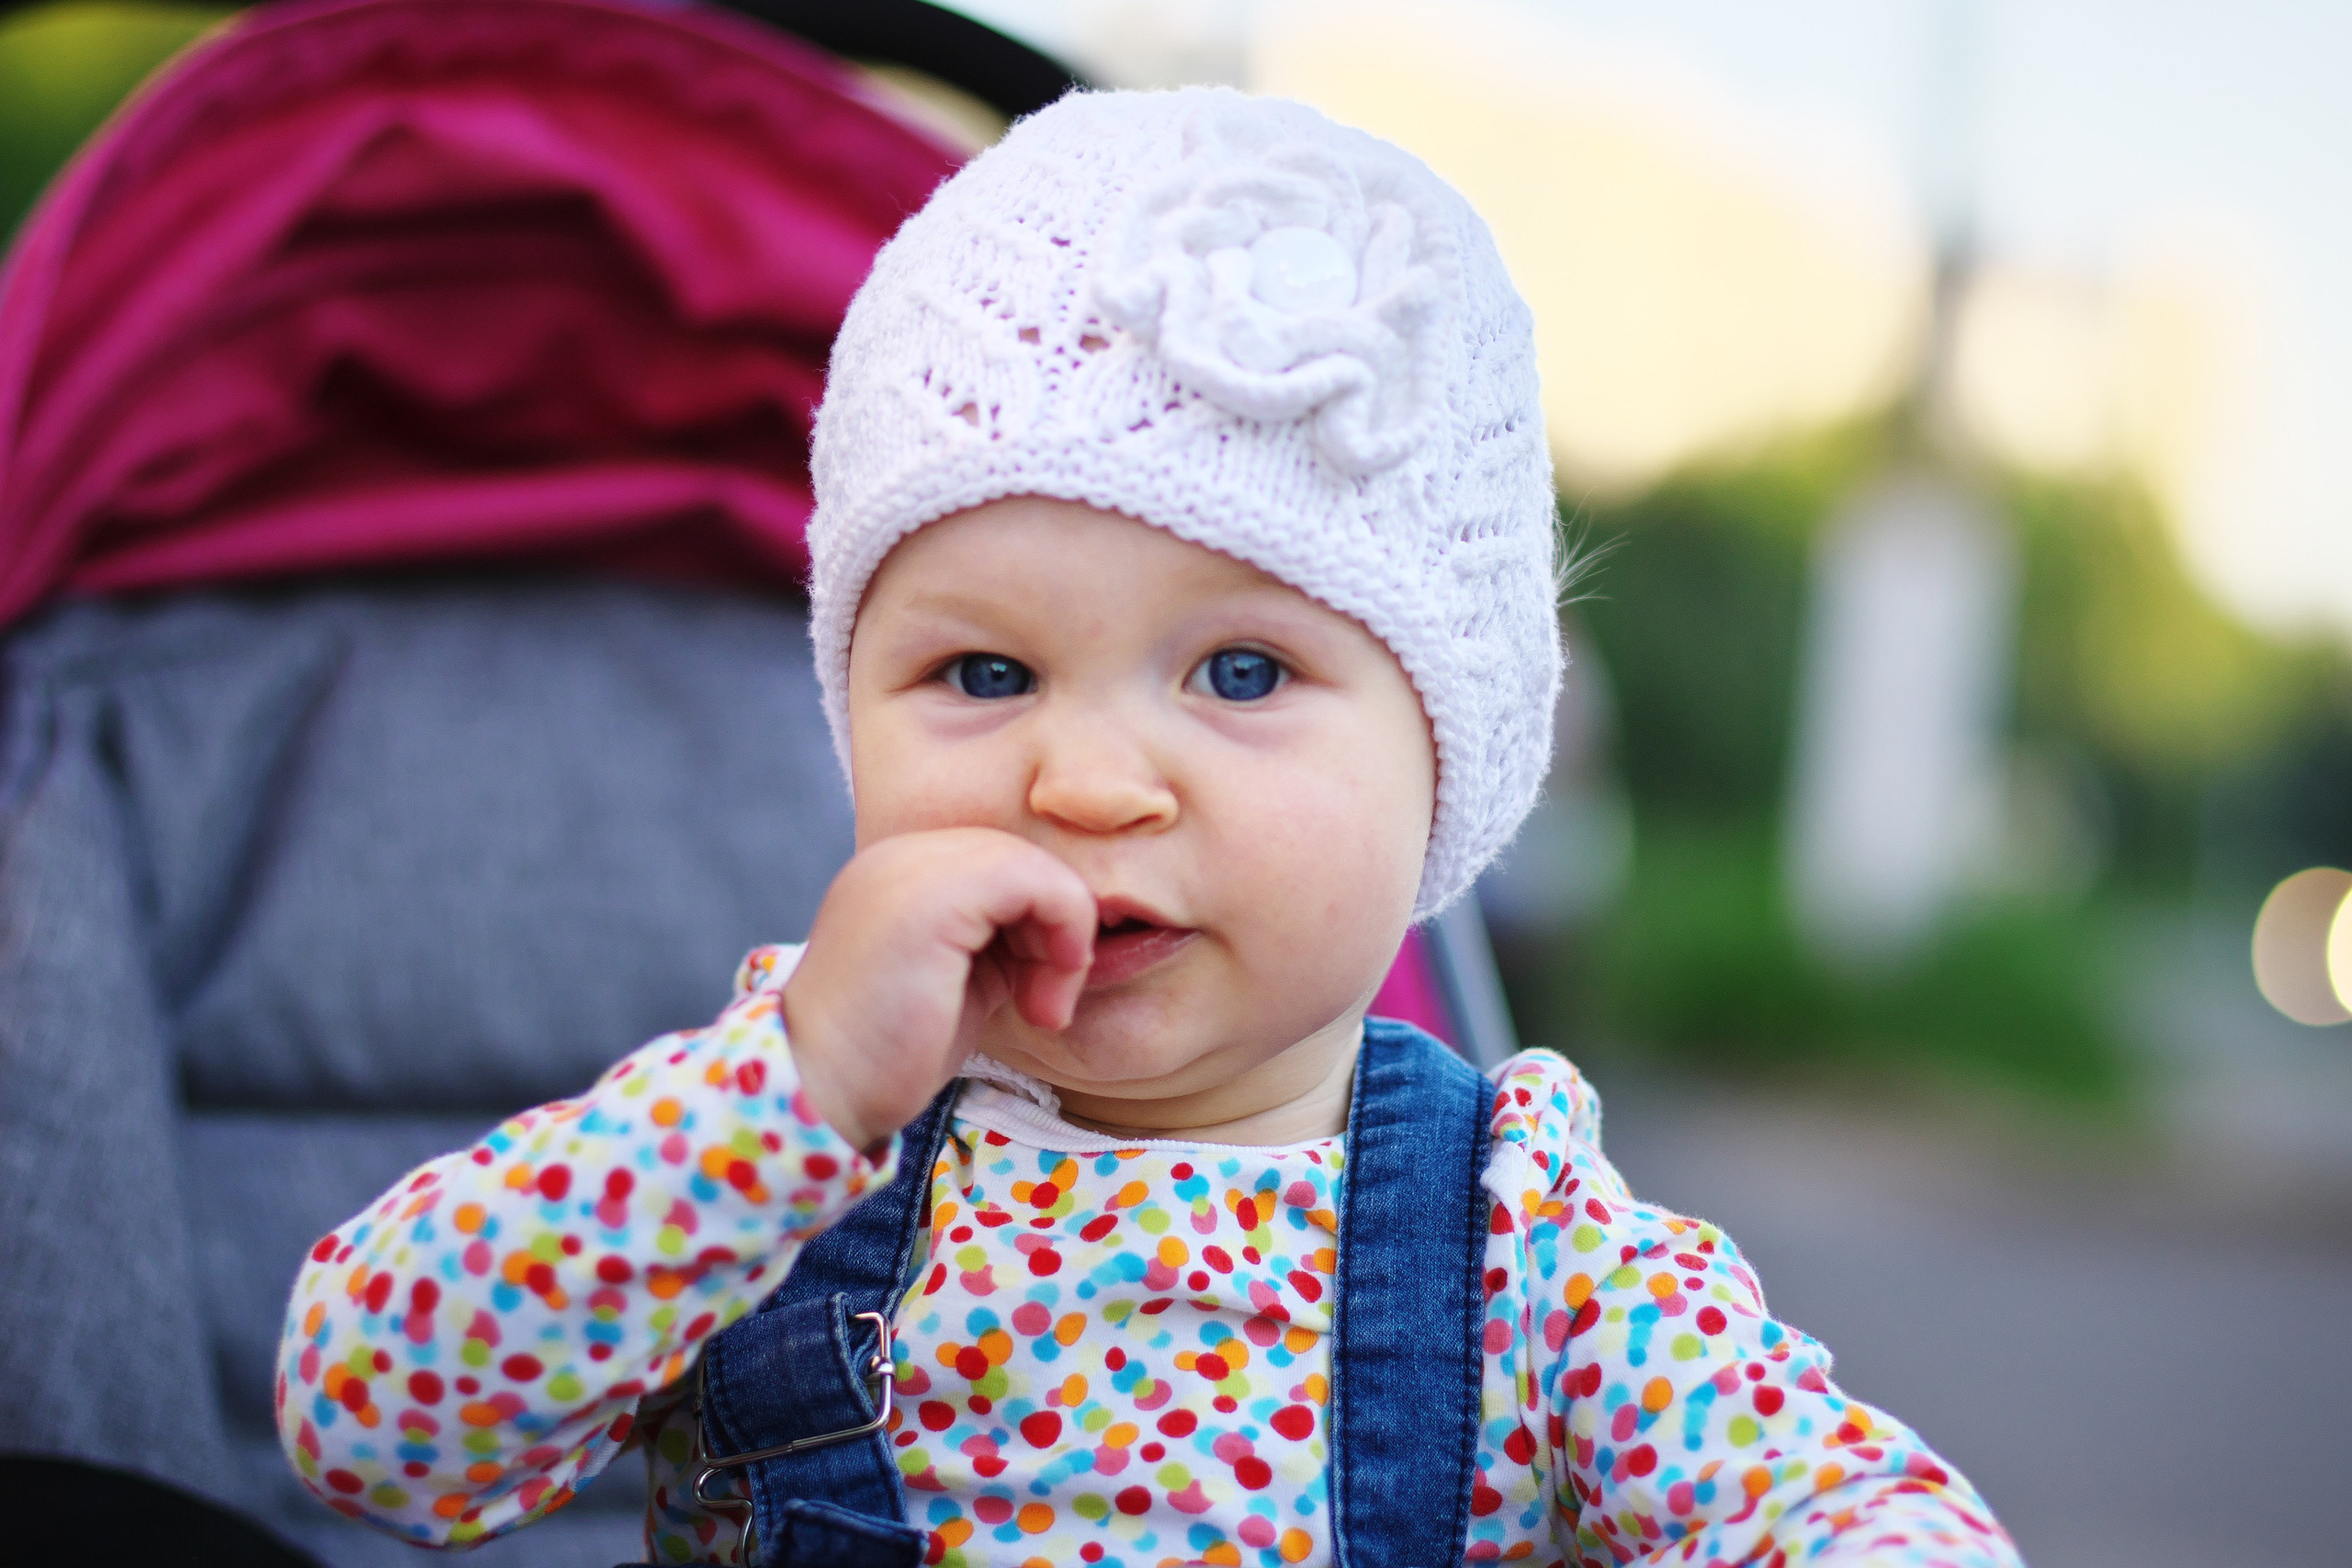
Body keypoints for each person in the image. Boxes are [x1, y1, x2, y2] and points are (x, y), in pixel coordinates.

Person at [277, 88, 2018, 1568]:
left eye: (1241, 673)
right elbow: (366, 1425)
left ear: (1447, 751)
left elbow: (1855, 1515)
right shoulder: (762, 1158)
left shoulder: (1523, 1244)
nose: (1091, 783)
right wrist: (790, 1096)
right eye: (983, 673)